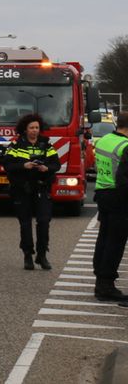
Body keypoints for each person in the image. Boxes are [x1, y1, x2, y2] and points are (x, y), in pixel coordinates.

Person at [2, 113, 61, 271]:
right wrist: (24, 166)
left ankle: (42, 255)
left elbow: (56, 164)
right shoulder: (16, 144)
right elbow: (7, 165)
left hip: (41, 188)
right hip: (22, 189)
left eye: (37, 128)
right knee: (25, 223)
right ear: (25, 129)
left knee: (43, 221)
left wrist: (46, 168)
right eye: (31, 128)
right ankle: (27, 255)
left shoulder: (46, 145)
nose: (35, 131)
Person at [92, 112, 128, 301]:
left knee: (104, 238)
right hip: (119, 197)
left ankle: (100, 279)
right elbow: (124, 179)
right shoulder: (125, 146)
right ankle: (106, 285)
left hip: (102, 193)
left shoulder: (104, 140)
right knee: (115, 243)